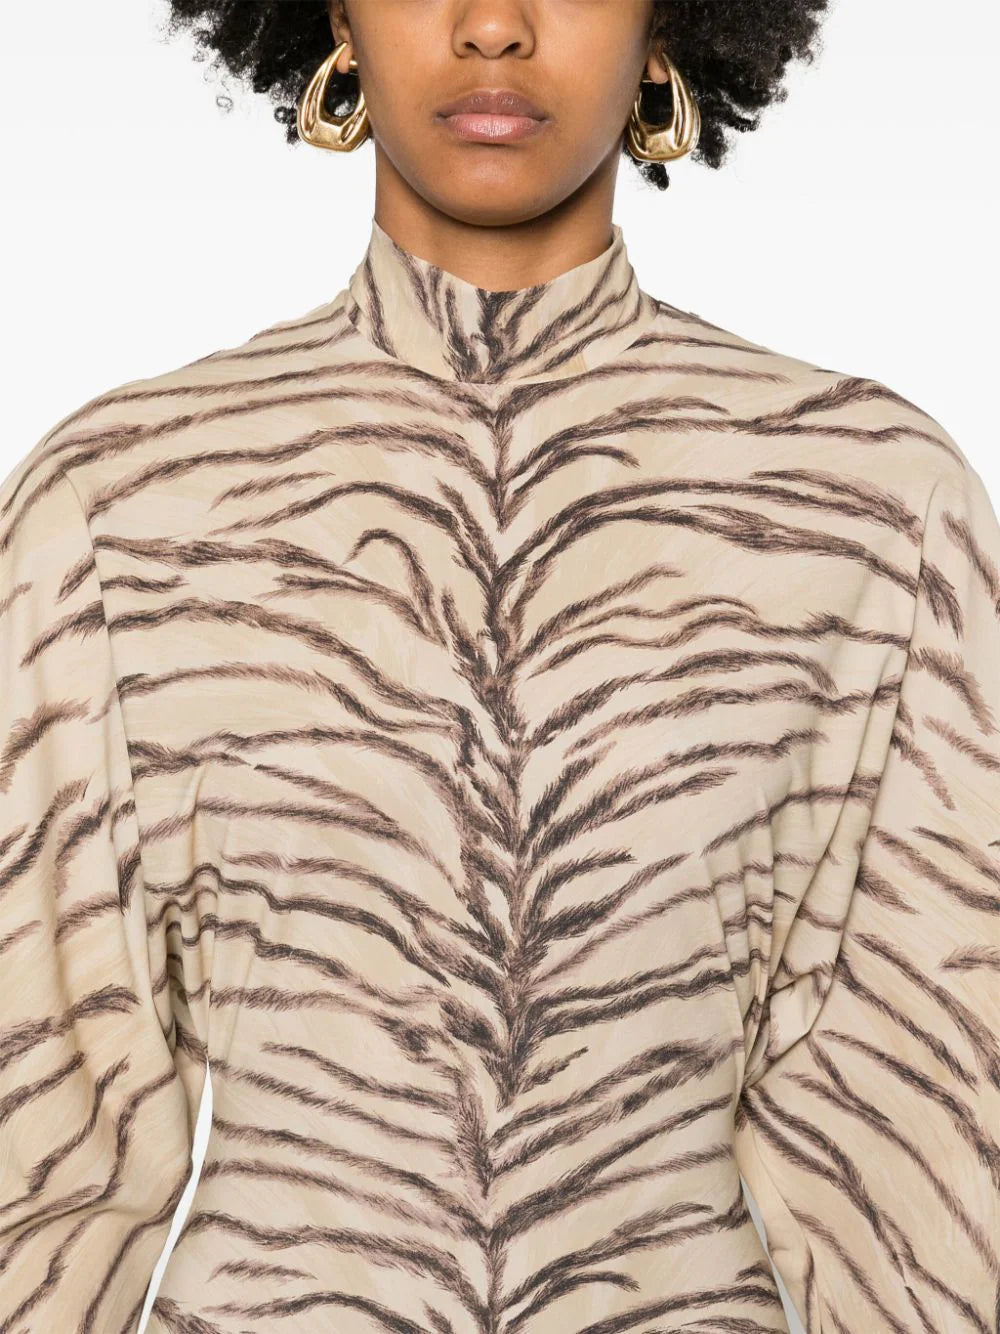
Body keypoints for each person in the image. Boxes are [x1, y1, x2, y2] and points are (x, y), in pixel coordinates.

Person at [1, 3, 997, 1332]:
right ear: (337, 17)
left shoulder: (870, 508)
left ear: (667, 24)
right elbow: (39, 1165)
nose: (492, 26)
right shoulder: (122, 508)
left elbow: (922, 1171)